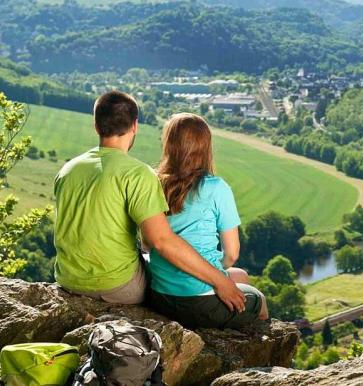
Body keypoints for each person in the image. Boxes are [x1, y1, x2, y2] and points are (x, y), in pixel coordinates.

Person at [54, 91, 245, 313]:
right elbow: (160, 241)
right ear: (135, 126)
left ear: (96, 126)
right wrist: (220, 282)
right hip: (116, 286)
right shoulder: (137, 174)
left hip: (67, 279)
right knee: (231, 278)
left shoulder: (68, 170)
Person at [148, 113, 268, 329]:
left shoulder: (153, 183)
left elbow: (148, 243)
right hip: (198, 303)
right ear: (205, 147)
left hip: (160, 295)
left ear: (169, 145)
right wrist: (216, 271)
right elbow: (231, 254)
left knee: (241, 275)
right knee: (258, 299)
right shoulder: (215, 188)